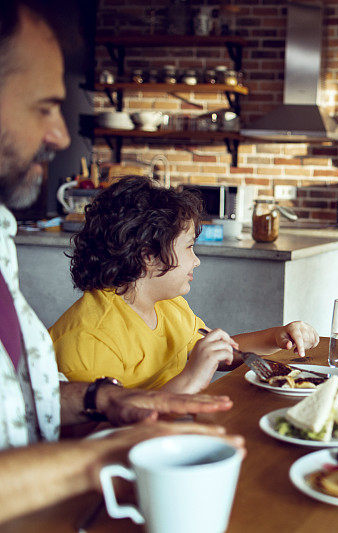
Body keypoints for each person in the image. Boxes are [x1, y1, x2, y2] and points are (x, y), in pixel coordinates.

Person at [0, 1, 240, 524]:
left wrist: (102, 400)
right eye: (43, 106)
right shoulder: (93, 328)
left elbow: (19, 405)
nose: (62, 136)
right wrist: (110, 450)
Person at [50, 176, 320, 393]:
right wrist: (189, 380)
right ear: (148, 255)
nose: (196, 261)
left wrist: (276, 336)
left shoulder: (168, 305)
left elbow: (216, 353)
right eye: (189, 247)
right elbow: (97, 438)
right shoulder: (91, 338)